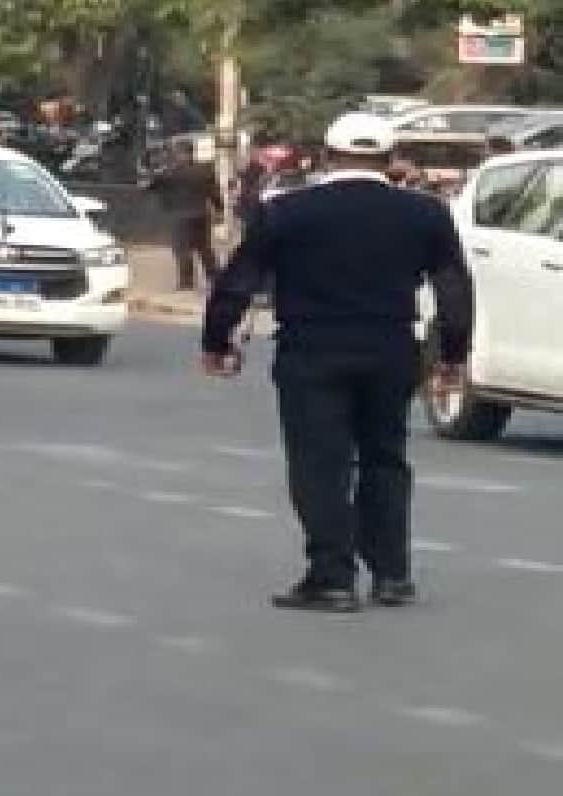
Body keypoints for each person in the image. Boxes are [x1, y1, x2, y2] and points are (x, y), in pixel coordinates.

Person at [200, 112, 474, 613]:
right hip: (391, 348)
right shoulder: (425, 213)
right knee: (385, 458)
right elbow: (454, 290)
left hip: (312, 348)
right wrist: (454, 354)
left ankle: (331, 576)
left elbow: (239, 280)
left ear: (327, 157)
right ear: (390, 162)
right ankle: (392, 574)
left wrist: (218, 340)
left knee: (319, 464)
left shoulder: (285, 211)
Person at [150, 140, 224, 291]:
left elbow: (151, 186)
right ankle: (215, 278)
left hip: (179, 216)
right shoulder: (204, 170)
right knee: (205, 248)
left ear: (179, 154)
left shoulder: (169, 172)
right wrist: (219, 209)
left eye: (176, 153)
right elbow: (214, 193)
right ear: (192, 152)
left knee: (182, 250)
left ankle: (186, 282)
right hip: (201, 214)